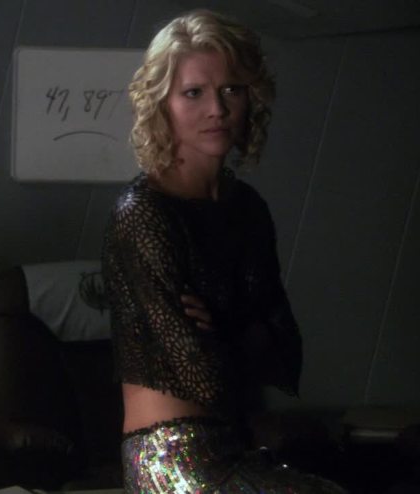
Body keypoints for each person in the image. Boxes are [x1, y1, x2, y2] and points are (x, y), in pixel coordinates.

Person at [102, 10, 345, 493]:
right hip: (169, 455)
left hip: (238, 441)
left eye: (231, 89)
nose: (217, 108)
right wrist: (248, 330)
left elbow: (286, 352)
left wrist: (223, 324)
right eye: (194, 93)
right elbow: (201, 375)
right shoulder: (143, 212)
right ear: (162, 104)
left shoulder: (247, 207)